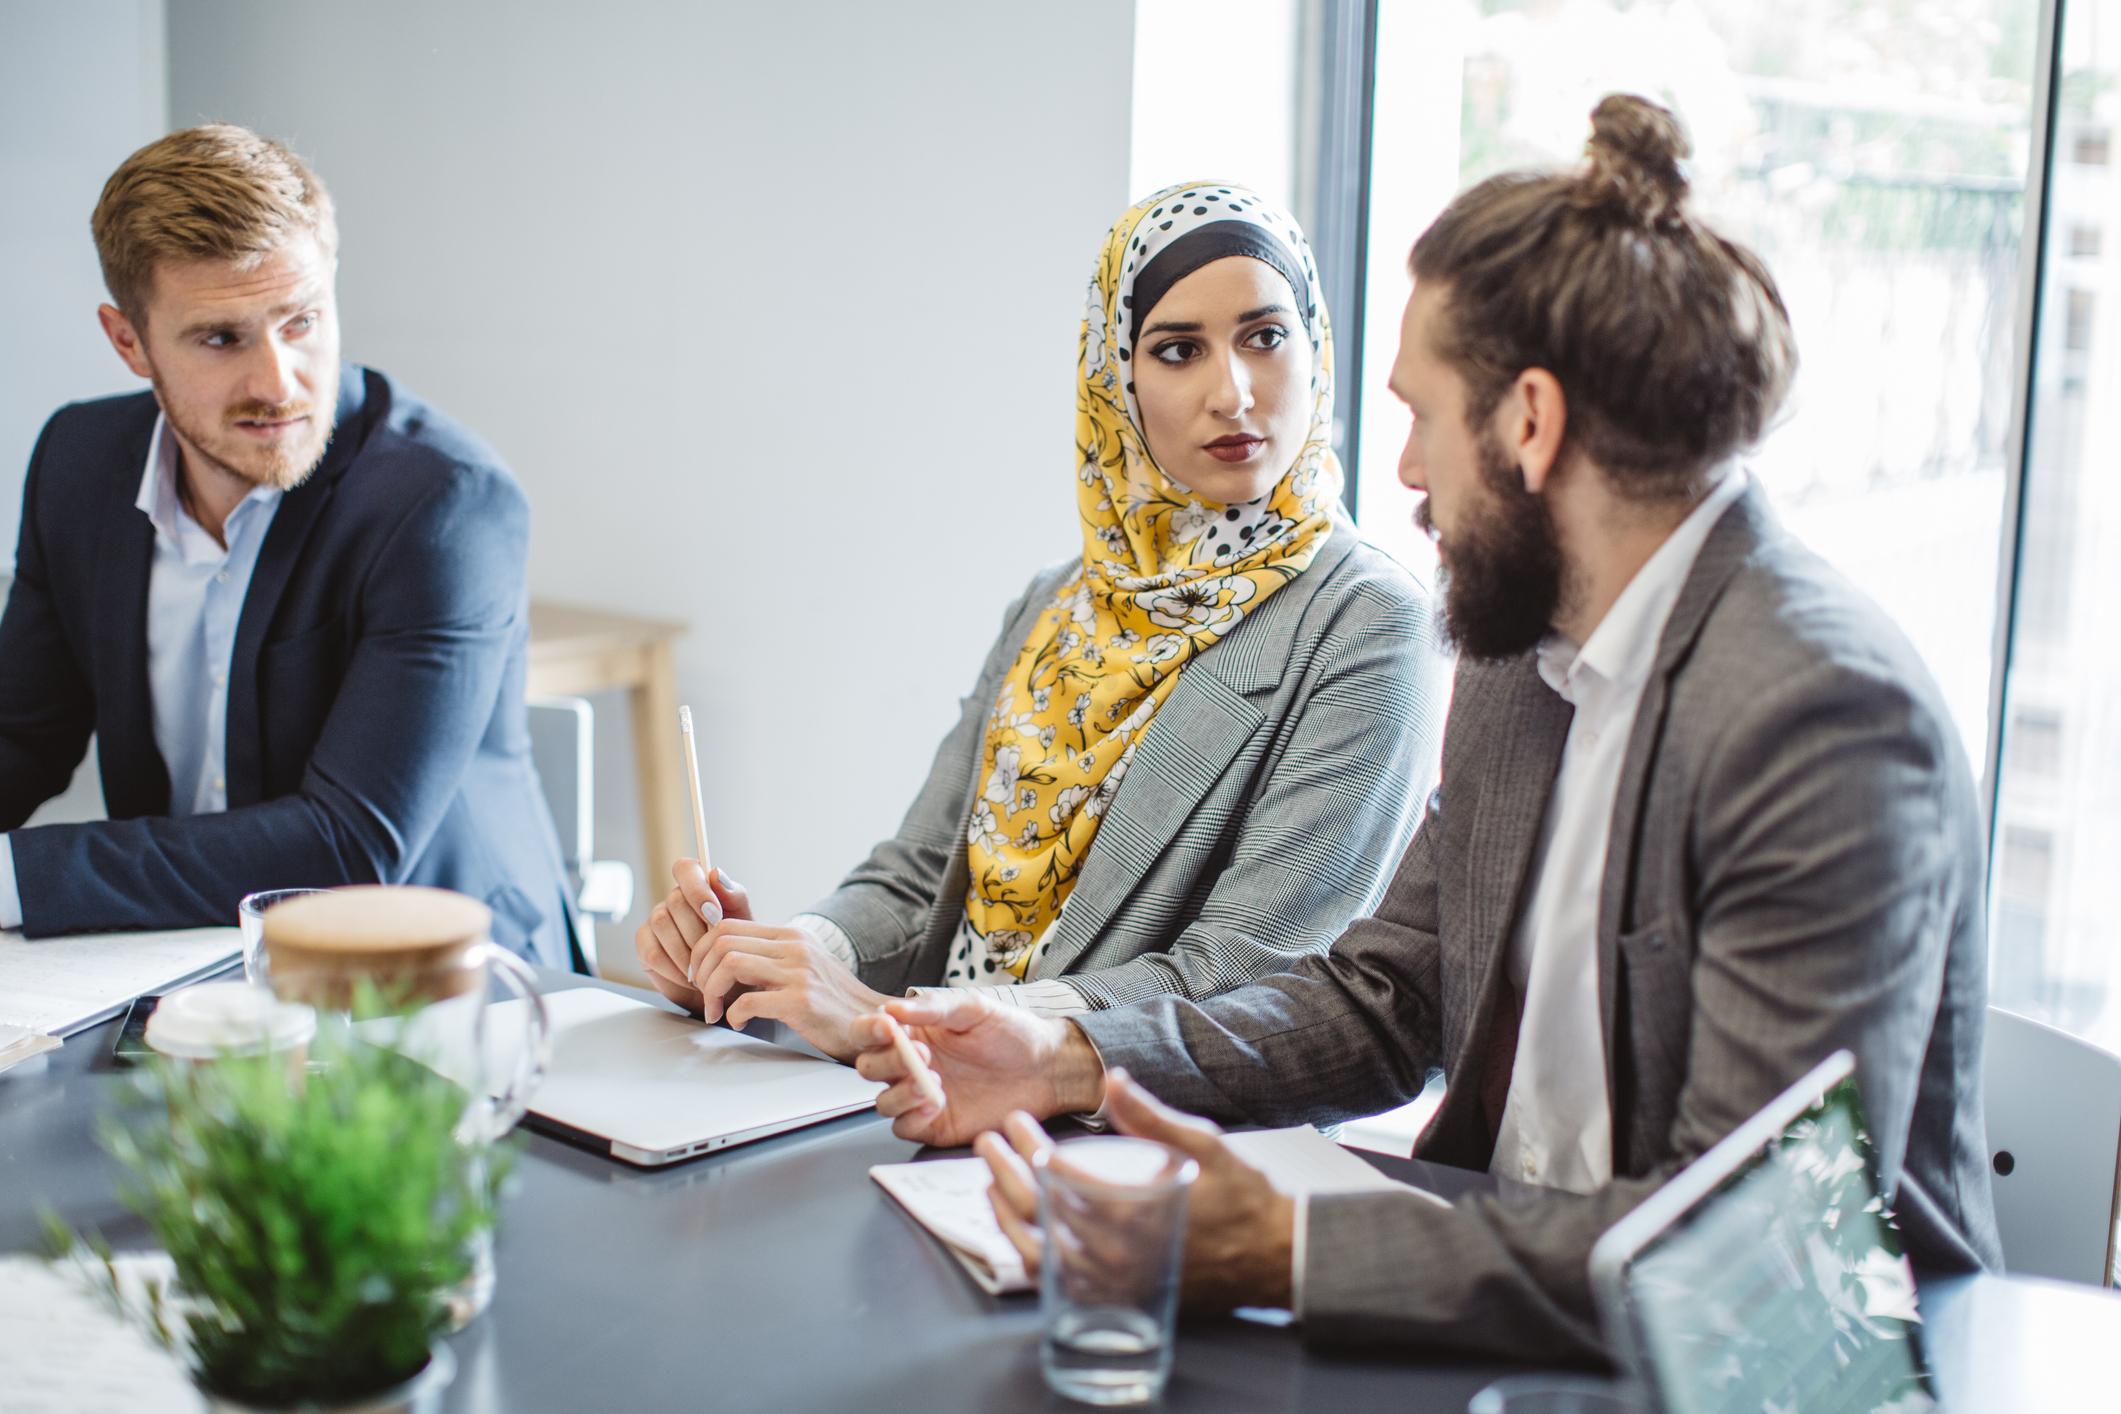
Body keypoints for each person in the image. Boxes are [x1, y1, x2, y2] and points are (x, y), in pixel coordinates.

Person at [851, 95, 2003, 1361]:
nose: (1398, 473)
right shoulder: (1526, 651)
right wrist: (1063, 1055)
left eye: (1417, 415)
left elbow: (1759, 1245)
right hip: (1515, 1311)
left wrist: (1289, 1249)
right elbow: (1385, 1000)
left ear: (1527, 423)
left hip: (1755, 1367)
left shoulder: (1818, 718)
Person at [636, 182, 1443, 1060]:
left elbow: (1248, 972)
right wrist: (774, 958)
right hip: (922, 1096)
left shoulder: (1367, 621)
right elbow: (918, 878)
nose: (1235, 392)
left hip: (1137, 1138)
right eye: (1178, 350)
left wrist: (911, 1024)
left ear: (1314, 347)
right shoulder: (1060, 602)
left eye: (1265, 336)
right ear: (1116, 378)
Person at [0, 125, 574, 967]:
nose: (279, 383)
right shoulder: (77, 463)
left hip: (450, 997)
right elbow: (21, 733)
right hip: (181, 967)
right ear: (129, 341)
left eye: (301, 320)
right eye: (221, 339)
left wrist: (12, 878)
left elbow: (345, 848)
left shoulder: (446, 505)